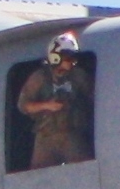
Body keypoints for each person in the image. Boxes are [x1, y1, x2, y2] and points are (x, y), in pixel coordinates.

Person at [18, 32, 94, 168]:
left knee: (83, 172)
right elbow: (24, 105)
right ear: (56, 56)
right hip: (46, 138)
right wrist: (47, 105)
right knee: (39, 176)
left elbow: (93, 98)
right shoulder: (40, 78)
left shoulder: (79, 76)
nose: (71, 61)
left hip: (72, 135)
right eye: (67, 57)